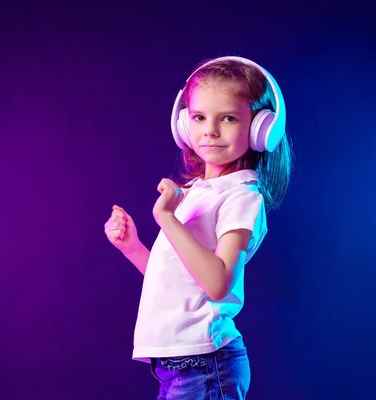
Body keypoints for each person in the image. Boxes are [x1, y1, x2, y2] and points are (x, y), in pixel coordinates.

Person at [104, 56, 293, 399]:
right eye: (199, 117)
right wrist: (132, 247)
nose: (210, 130)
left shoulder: (241, 196)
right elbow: (179, 283)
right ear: (183, 124)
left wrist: (167, 219)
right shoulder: (194, 193)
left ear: (260, 128)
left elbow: (218, 282)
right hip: (180, 366)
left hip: (205, 365)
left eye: (229, 118)